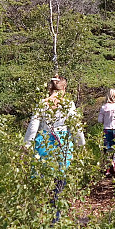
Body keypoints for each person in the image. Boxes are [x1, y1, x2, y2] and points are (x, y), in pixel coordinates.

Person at [23, 76, 86, 220]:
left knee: (42, 182)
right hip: (61, 144)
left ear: (49, 89)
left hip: (43, 144)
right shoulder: (68, 104)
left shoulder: (42, 103)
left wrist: (26, 145)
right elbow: (76, 126)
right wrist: (81, 143)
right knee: (59, 183)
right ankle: (55, 219)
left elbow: (33, 127)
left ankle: (39, 219)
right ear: (64, 88)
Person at [97, 88, 115, 175]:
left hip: (107, 129)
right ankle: (114, 162)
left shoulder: (104, 107)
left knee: (108, 148)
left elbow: (99, 120)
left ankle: (108, 169)